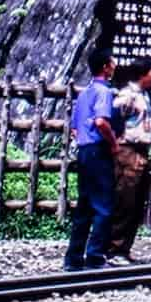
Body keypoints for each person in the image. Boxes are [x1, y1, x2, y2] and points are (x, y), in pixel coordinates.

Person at [64, 47, 120, 271]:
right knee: (104, 206)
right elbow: (101, 122)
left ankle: (73, 258)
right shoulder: (103, 91)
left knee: (84, 206)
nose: (115, 66)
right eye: (113, 63)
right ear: (106, 67)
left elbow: (75, 130)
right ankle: (96, 257)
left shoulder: (84, 92)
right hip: (99, 150)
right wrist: (113, 142)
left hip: (84, 151)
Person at [107, 58, 151, 260]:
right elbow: (111, 117)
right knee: (125, 200)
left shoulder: (144, 95)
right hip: (128, 149)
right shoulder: (126, 96)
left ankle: (124, 248)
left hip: (142, 150)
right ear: (143, 74)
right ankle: (113, 249)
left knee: (136, 201)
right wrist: (117, 144)